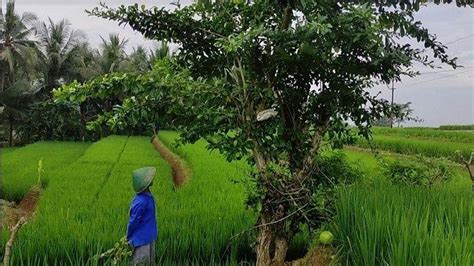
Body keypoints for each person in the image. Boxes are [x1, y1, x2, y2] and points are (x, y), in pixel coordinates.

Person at [127, 167, 158, 265]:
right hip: (141, 241)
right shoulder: (140, 202)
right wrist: (127, 237)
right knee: (142, 262)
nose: (152, 180)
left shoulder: (148, 195)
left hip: (150, 237)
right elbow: (133, 222)